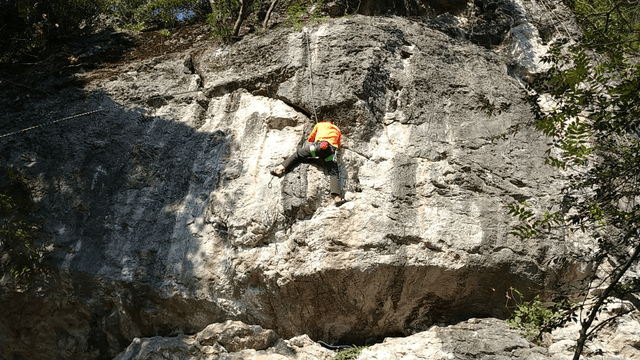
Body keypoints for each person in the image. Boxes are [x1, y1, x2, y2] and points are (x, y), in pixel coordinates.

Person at [271, 119, 345, 205]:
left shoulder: (319, 125)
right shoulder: (337, 129)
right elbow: (338, 144)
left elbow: (310, 138)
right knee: (334, 173)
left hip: (318, 148)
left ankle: (280, 169)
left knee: (298, 154)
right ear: (332, 122)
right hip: (329, 153)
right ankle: (336, 197)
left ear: (324, 121)